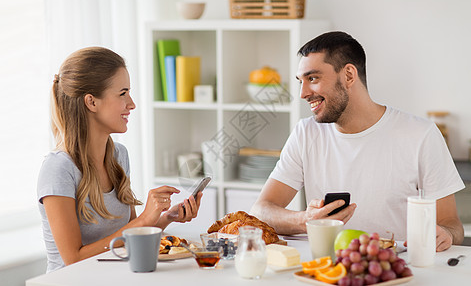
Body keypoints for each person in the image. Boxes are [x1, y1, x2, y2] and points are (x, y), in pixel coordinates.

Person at [250, 31, 465, 252]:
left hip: (393, 269)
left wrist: (446, 234)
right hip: (327, 269)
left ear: (349, 75)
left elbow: (452, 225)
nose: (303, 93)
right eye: (301, 81)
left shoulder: (421, 134)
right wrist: (304, 220)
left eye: (312, 78)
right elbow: (261, 210)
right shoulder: (305, 133)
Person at [37, 47, 202, 273]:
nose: (131, 104)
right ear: (91, 102)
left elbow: (127, 236)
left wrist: (166, 217)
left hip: (111, 277)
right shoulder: (58, 168)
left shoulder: (118, 156)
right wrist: (143, 220)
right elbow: (73, 258)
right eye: (122, 93)